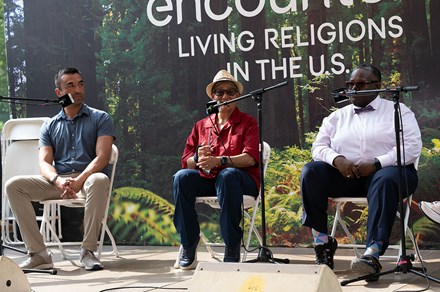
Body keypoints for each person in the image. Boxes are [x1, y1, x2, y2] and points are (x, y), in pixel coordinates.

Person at [300, 64, 422, 280]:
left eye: (360, 84)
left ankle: (371, 254)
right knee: (311, 171)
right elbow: (318, 148)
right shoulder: (337, 117)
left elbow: (411, 148)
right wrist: (337, 160)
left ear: (377, 86)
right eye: (350, 85)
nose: (353, 89)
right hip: (348, 177)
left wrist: (376, 164)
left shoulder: (399, 111)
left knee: (384, 178)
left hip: (390, 175)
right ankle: (322, 243)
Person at [6, 67, 115, 271]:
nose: (77, 90)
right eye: (70, 86)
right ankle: (39, 254)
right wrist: (58, 181)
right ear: (59, 93)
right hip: (60, 182)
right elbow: (44, 163)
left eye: (80, 84)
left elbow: (102, 157)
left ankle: (88, 251)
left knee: (99, 179)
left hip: (88, 181)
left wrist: (79, 180)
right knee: (14, 186)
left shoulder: (101, 118)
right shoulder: (49, 125)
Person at [173, 69, 260, 270]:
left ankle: (231, 245)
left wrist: (219, 161)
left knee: (228, 175)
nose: (224, 97)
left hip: (240, 181)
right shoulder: (201, 125)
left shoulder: (248, 122)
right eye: (219, 92)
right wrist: (198, 157)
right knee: (182, 177)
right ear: (213, 96)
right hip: (210, 180)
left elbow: (250, 159)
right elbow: (186, 162)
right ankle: (188, 244)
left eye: (230, 92)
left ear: (238, 96)